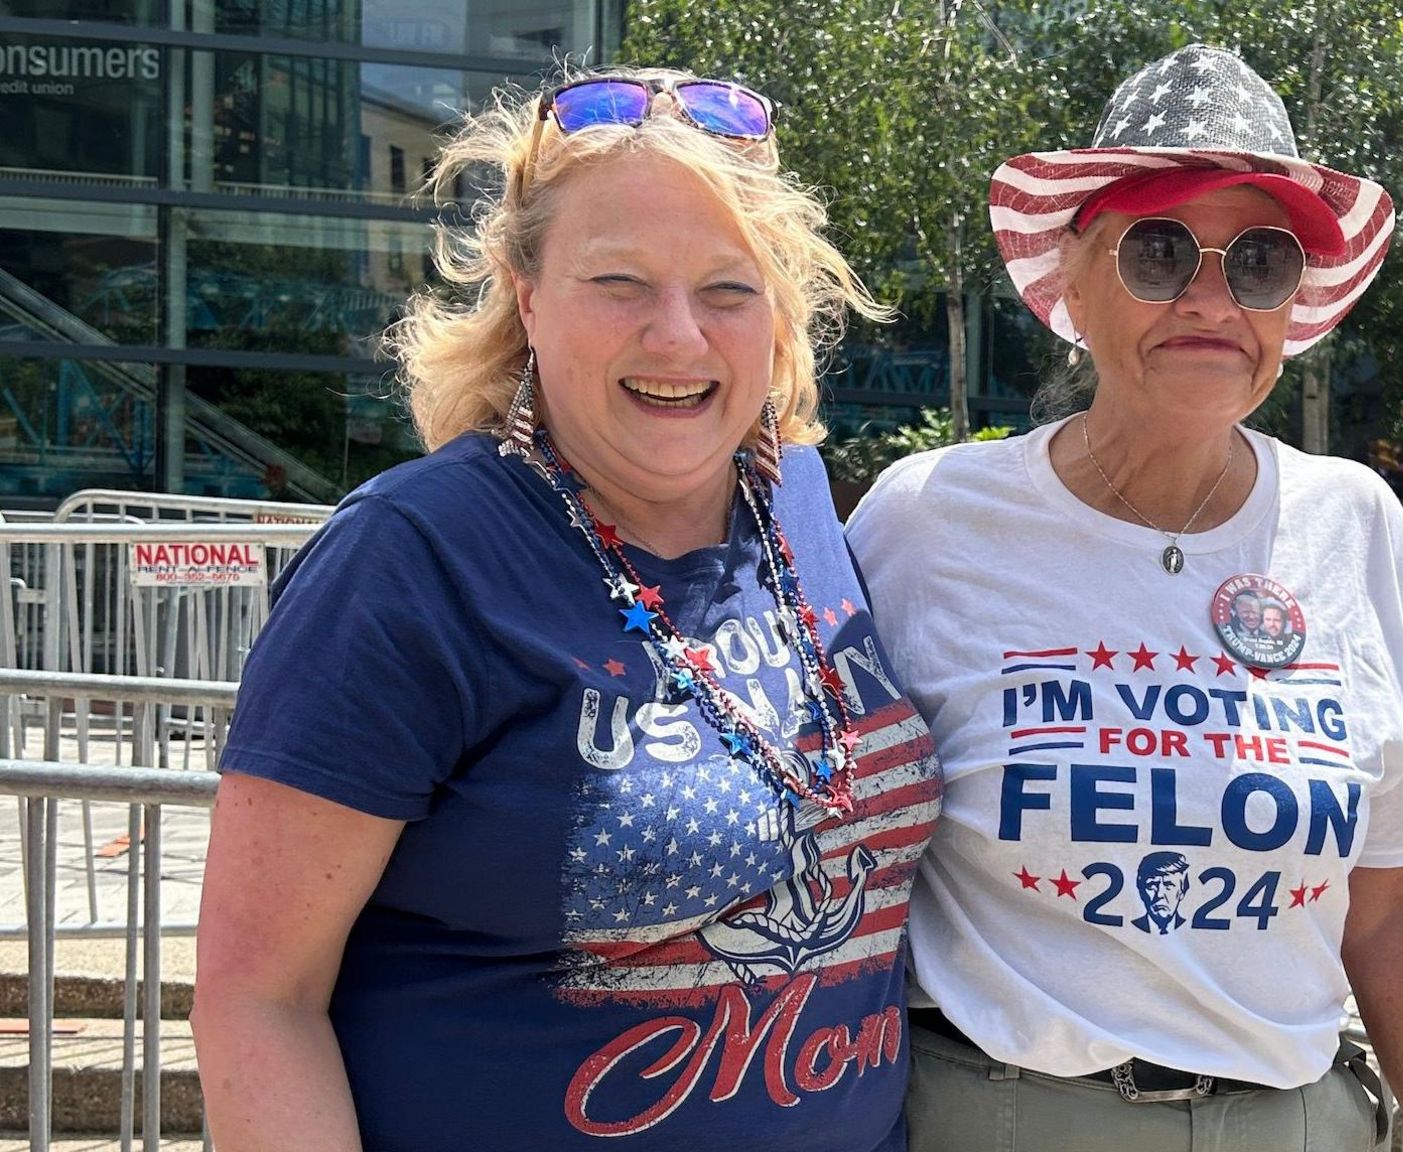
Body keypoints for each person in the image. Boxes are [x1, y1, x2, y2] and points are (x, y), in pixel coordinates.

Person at [191, 67, 941, 1152]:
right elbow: (259, 998)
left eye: (728, 288)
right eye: (619, 283)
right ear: (525, 294)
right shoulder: (412, 561)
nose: (678, 338)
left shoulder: (804, 503)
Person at [848, 45, 1403, 1152]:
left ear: (1291, 307)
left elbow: (1393, 908)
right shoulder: (929, 520)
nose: (1207, 298)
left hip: (1293, 1122)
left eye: (1259, 262)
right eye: (1156, 251)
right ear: (1076, 285)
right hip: (1002, 1118)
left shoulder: (1353, 522)